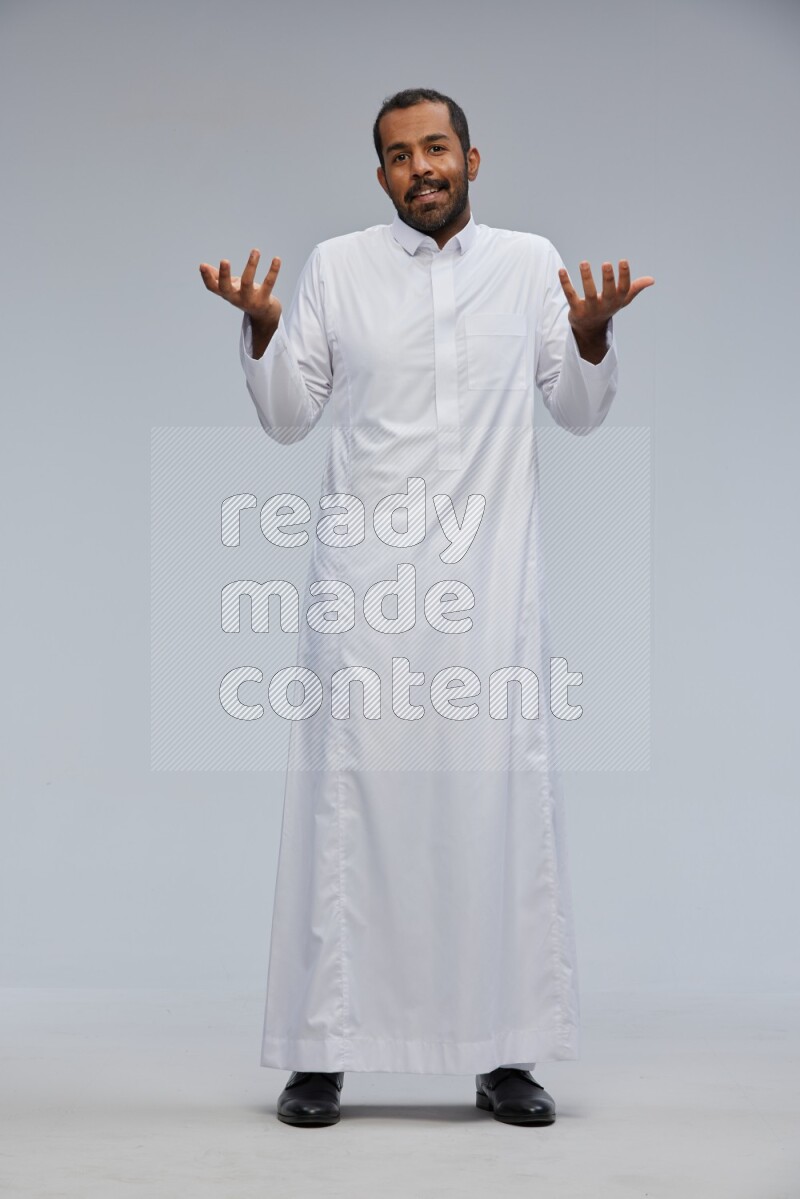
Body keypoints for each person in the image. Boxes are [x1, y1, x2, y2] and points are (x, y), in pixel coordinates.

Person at [199, 87, 653, 1128]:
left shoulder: (530, 264)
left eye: (436, 147)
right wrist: (263, 334)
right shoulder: (336, 268)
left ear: (473, 157)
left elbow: (577, 413)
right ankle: (320, 1053)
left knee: (497, 813)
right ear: (380, 176)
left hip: (490, 593)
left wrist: (587, 340)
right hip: (365, 592)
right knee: (345, 814)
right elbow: (284, 417)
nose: (421, 168)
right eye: (399, 155)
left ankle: (503, 1054)